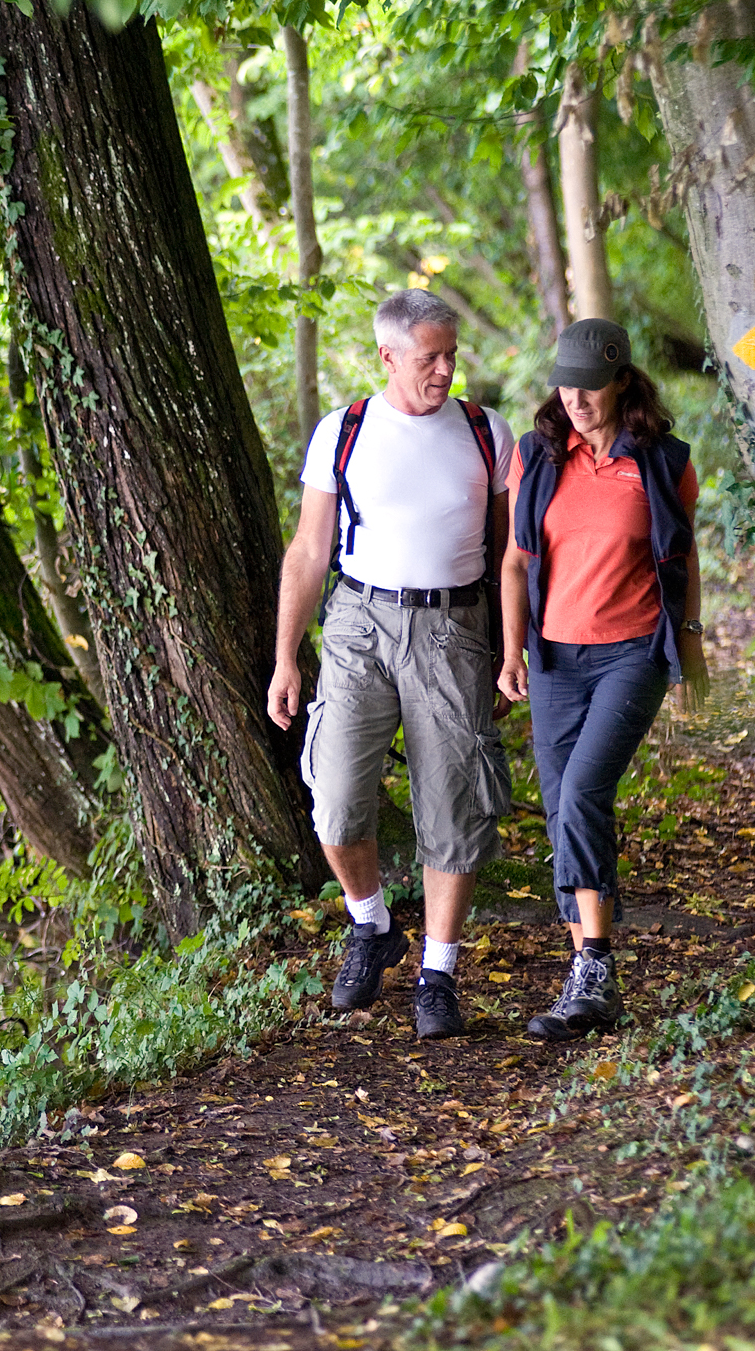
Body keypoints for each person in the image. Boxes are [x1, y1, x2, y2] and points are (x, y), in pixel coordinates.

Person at [268, 287, 516, 1041]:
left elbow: (511, 553)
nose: (445, 370)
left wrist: (512, 649)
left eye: (450, 355)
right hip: (357, 623)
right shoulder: (342, 431)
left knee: (452, 803)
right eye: (429, 357)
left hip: (455, 627)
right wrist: (286, 656)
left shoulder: (485, 431)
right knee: (336, 799)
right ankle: (371, 926)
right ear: (388, 355)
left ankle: (438, 972)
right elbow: (310, 551)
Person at [500, 318, 709, 1041]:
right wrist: (509, 653)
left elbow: (682, 562)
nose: (577, 399)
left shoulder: (660, 461)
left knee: (584, 791)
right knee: (562, 810)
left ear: (622, 382)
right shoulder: (537, 456)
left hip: (631, 654)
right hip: (555, 657)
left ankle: (595, 960)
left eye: (590, 386)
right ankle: (587, 986)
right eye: (566, 384)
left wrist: (693, 648)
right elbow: (516, 562)